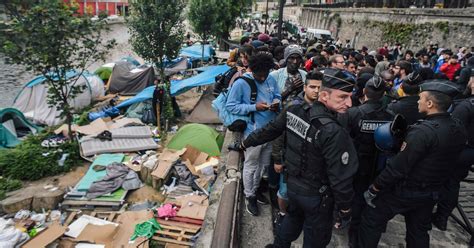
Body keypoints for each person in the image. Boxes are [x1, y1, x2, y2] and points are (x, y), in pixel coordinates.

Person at [236, 68, 359, 248]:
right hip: (317, 197)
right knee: (315, 237)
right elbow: (340, 178)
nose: (349, 103)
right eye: (342, 97)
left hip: (294, 187)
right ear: (324, 96)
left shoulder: (294, 109)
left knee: (292, 219)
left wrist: (244, 144)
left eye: (350, 96)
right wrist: (345, 209)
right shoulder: (332, 131)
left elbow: (269, 130)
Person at [358, 80, 467, 248]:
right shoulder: (458, 127)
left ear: (430, 103)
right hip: (431, 191)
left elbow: (398, 166)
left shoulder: (423, 132)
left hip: (405, 190)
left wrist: (375, 188)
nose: (417, 101)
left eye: (421, 98)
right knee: (419, 231)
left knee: (371, 220)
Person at [338, 76, 395, 247]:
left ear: (364, 92)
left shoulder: (353, 113)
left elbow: (341, 141)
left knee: (356, 200)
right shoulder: (390, 116)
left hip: (357, 166)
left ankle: (353, 234)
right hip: (379, 167)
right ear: (384, 94)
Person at [226, 52, 281, 216]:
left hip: (270, 131)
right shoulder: (241, 83)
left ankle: (255, 190)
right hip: (253, 132)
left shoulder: (270, 78)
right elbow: (231, 105)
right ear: (252, 70)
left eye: (265, 75)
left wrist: (277, 102)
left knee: (263, 165)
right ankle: (249, 196)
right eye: (260, 75)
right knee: (251, 164)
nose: (263, 78)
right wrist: (254, 107)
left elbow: (277, 94)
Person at [271, 71, 324, 229]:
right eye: (312, 87)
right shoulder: (293, 107)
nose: (316, 91)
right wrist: (277, 159)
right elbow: (278, 134)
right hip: (289, 160)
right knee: (284, 191)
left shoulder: (323, 109)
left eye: (319, 88)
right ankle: (281, 213)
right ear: (305, 87)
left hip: (310, 164)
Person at [432, 76, 474, 230]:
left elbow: (452, 131)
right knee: (452, 182)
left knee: (450, 183)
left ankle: (441, 216)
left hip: (461, 150)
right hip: (469, 151)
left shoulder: (466, 106)